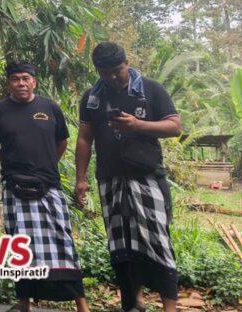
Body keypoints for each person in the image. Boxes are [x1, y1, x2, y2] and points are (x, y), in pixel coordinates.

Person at [75, 43, 181, 312]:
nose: (112, 77)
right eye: (105, 73)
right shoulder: (91, 98)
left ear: (127, 62)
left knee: (157, 240)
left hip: (146, 177)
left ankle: (169, 308)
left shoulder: (151, 89)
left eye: (118, 70)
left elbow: (174, 127)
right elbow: (85, 138)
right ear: (97, 70)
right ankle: (133, 303)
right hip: (110, 179)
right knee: (121, 245)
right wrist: (80, 179)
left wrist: (137, 125)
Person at [0, 61, 89, 312]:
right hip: (15, 186)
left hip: (48, 184)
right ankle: (24, 302)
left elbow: (62, 141)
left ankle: (82, 305)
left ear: (34, 81)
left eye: (26, 78)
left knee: (62, 240)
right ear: (9, 83)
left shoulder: (50, 107)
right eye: (15, 79)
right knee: (20, 243)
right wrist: (13, 166)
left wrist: (45, 163)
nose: (21, 83)